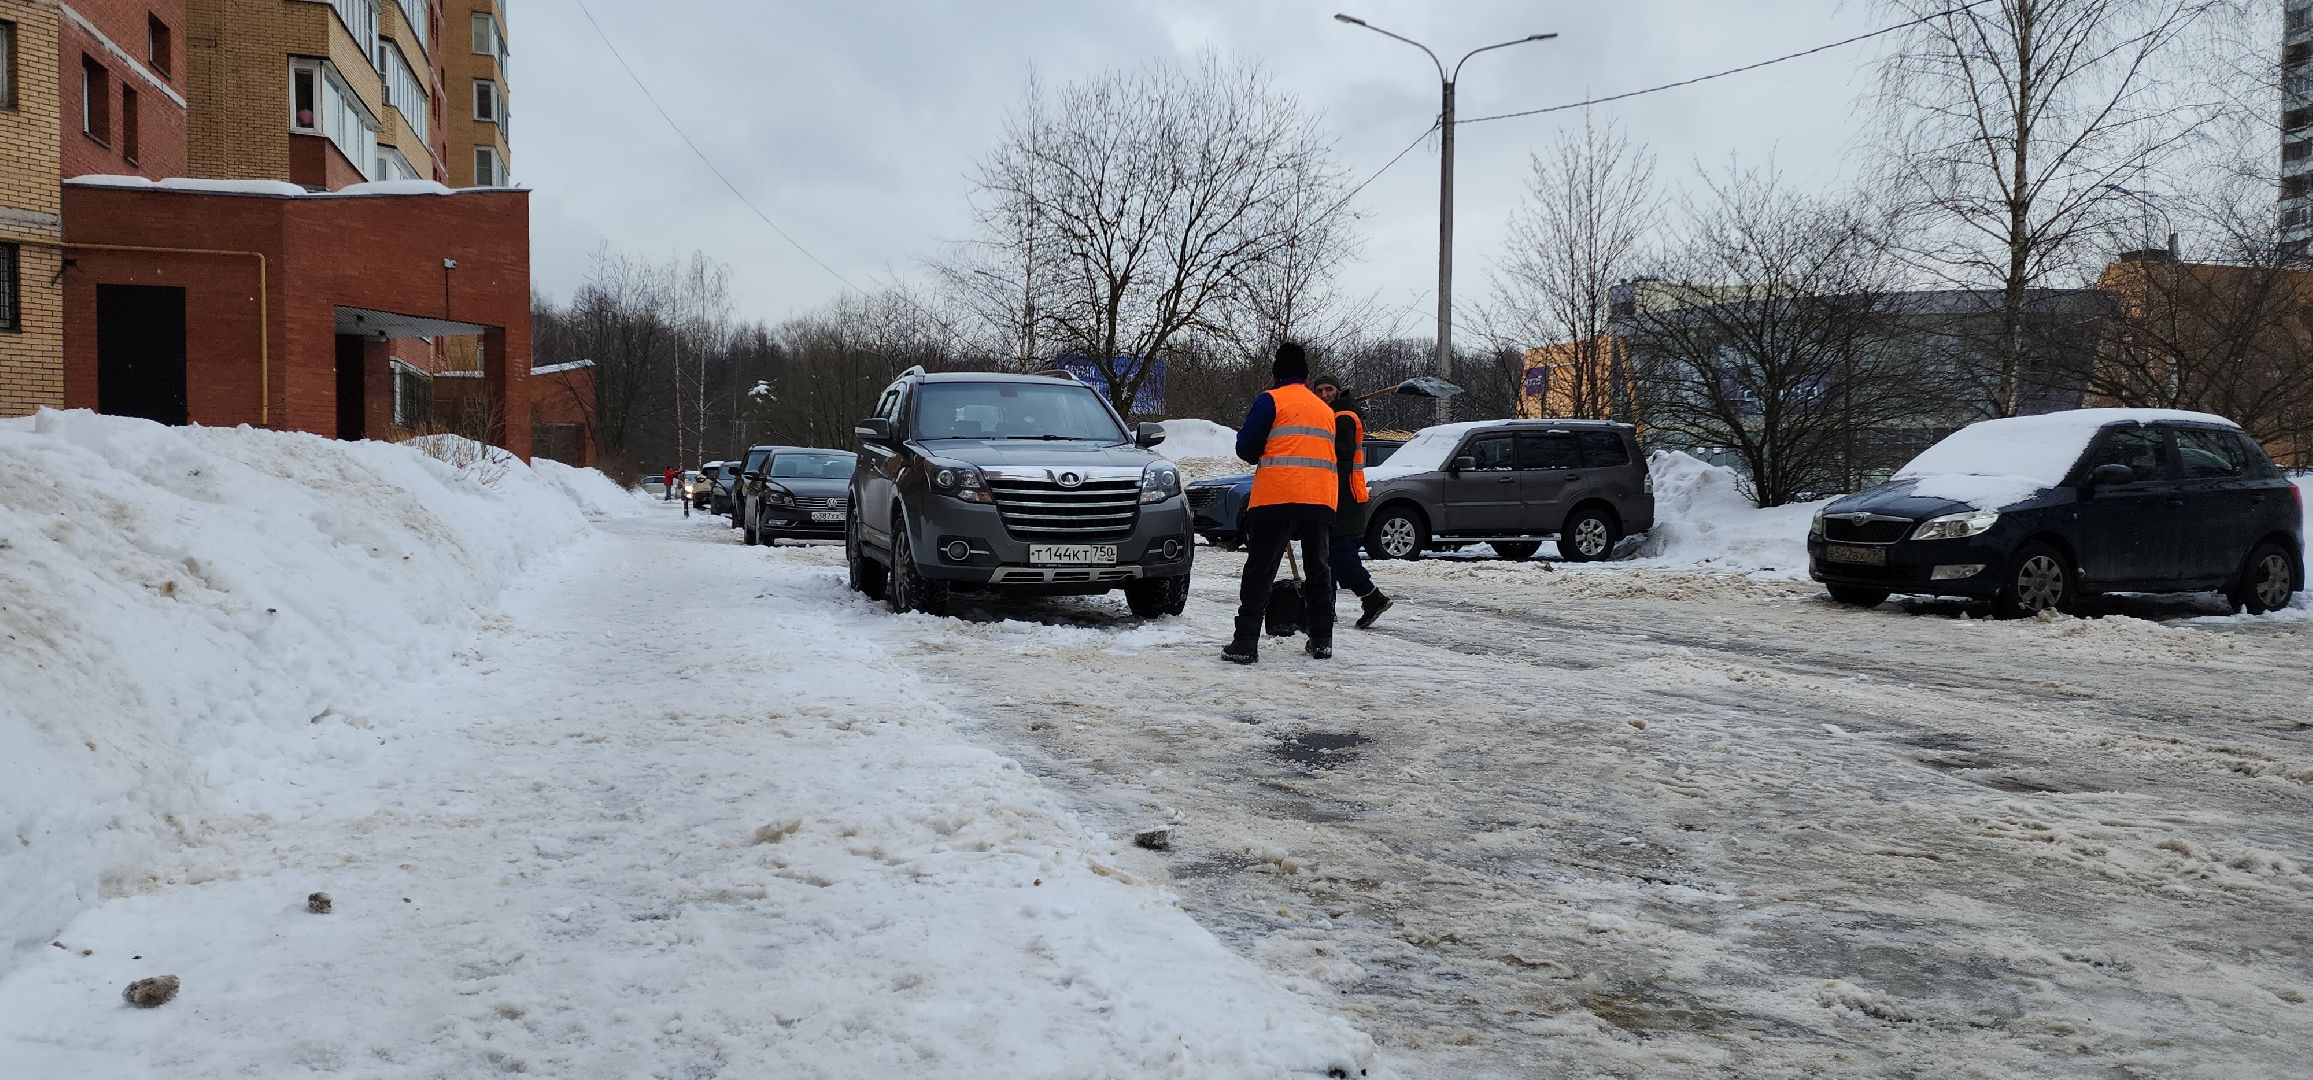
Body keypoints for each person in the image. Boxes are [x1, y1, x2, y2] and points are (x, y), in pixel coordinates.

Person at [1225, 343, 1337, 664]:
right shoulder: (1324, 410)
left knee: (1261, 569)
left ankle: (1245, 642)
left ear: (1275, 374)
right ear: (1306, 376)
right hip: (1319, 499)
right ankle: (1321, 639)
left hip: (1277, 497)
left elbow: (1246, 449)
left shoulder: (1271, 400)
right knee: (1319, 570)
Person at [1312, 376, 1392, 630]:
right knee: (1327, 552)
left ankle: (1371, 597)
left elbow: (1338, 455)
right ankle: (1327, 607)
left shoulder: (1343, 418)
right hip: (1337, 494)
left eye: (1329, 389)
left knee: (1339, 553)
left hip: (1345, 497)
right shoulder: (1334, 415)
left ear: (1338, 391)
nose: (1324, 394)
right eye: (1320, 390)